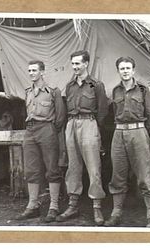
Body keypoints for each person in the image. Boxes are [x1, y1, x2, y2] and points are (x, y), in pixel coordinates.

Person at [56, 50, 108, 226]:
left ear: (86, 63)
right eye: (73, 64)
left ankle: (97, 207)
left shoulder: (96, 85)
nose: (75, 67)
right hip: (71, 124)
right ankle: (72, 205)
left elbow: (102, 110)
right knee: (73, 166)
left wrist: (94, 127)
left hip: (89, 124)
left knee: (94, 166)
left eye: (78, 64)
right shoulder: (70, 86)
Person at [104, 57, 150, 228]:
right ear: (118, 71)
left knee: (144, 173)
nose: (125, 71)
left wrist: (141, 132)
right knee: (117, 174)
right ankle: (116, 212)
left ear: (133, 70)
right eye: (122, 68)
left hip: (138, 132)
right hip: (119, 133)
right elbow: (114, 113)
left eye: (128, 68)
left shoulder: (143, 89)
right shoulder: (115, 91)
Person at [15, 60, 66, 223]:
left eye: (34, 70)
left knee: (52, 169)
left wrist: (49, 131)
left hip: (47, 129)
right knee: (31, 169)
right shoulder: (28, 92)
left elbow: (60, 118)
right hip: (30, 130)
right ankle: (32, 206)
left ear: (42, 72)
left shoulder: (53, 92)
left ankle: (54, 207)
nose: (31, 73)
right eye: (29, 70)